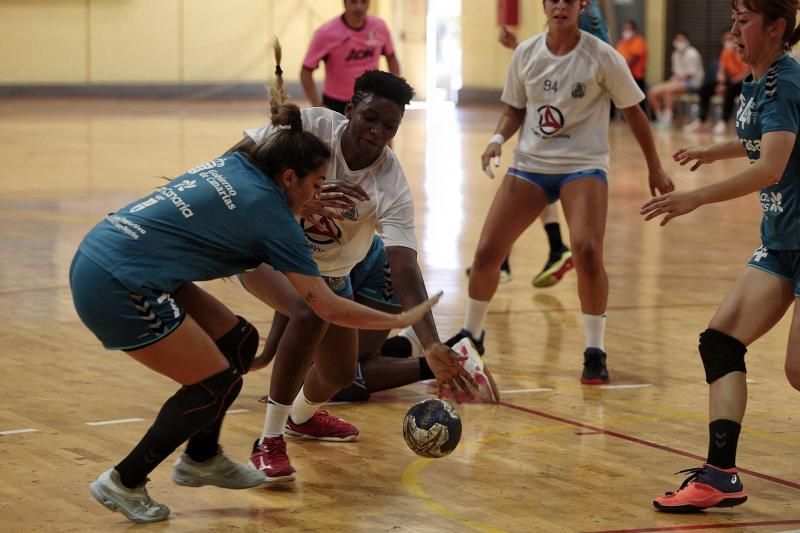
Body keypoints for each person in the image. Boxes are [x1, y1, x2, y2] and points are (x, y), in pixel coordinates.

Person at [71, 111, 443, 523]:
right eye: (316, 185)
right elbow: (327, 306)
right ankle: (125, 480)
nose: (317, 198)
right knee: (213, 382)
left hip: (113, 247)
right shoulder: (274, 220)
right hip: (117, 282)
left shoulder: (240, 163)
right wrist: (406, 315)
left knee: (239, 343)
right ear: (289, 178)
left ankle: (202, 457)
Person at [226, 67, 484, 482]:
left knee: (339, 374)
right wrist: (290, 204)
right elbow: (235, 161)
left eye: (390, 126)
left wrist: (431, 343)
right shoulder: (310, 128)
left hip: (329, 275)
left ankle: (301, 418)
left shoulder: (391, 182)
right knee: (305, 314)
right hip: (265, 254)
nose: (378, 132)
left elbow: (402, 264)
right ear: (349, 108)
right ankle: (268, 441)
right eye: (370, 118)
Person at [446, 0, 674, 385]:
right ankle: (473, 335)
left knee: (586, 250)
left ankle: (595, 350)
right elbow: (515, 109)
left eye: (568, 0)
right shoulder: (526, 53)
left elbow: (635, 112)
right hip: (530, 164)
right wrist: (498, 138)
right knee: (487, 254)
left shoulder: (602, 56)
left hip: (582, 166)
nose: (560, 6)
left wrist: (655, 165)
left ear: (581, 5)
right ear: (545, 5)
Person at [642, 0, 800, 513]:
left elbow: (771, 167)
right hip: (782, 240)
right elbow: (766, 141)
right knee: (720, 342)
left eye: (744, 20)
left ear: (775, 27)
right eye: (732, 17)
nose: (733, 29)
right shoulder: (758, 79)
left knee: (799, 371)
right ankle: (719, 476)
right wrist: (715, 152)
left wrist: (697, 196)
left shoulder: (785, 82)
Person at [486, 0, 610, 288]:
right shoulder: (563, 15)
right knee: (532, 177)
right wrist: (518, 47)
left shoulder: (587, 17)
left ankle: (520, 256)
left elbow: (597, 72)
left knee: (536, 175)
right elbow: (553, 63)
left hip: (573, 138)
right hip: (548, 119)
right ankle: (547, 250)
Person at [301, 0, 400, 115]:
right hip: (336, 103)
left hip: (370, 100)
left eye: (364, 2)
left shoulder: (379, 27)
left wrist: (394, 91)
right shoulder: (325, 33)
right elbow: (305, 72)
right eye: (353, 2)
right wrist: (316, 103)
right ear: (344, 3)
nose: (359, 7)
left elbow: (391, 57)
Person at [684, 31, 750, 135]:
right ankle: (702, 121)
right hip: (728, 81)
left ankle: (724, 121)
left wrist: (727, 84)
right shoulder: (725, 51)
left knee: (730, 90)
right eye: (725, 39)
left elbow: (746, 73)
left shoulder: (742, 51)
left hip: (741, 82)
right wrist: (721, 83)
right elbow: (721, 70)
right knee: (705, 88)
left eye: (730, 39)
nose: (727, 41)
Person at [647, 32, 705, 128]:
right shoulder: (675, 54)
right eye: (678, 40)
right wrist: (673, 80)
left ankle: (668, 120)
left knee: (668, 90)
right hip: (677, 81)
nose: (679, 42)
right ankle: (660, 118)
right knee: (652, 91)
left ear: (687, 41)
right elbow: (675, 73)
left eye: (682, 40)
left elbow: (690, 75)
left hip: (693, 82)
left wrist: (675, 82)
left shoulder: (692, 53)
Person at [615, 19, 649, 114]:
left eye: (629, 29)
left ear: (634, 30)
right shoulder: (622, 42)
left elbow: (632, 59)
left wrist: (619, 70)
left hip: (635, 77)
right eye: (625, 29)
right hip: (623, 76)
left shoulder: (638, 41)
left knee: (636, 103)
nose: (626, 32)